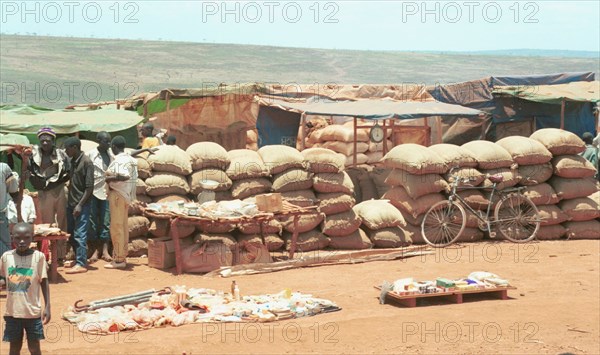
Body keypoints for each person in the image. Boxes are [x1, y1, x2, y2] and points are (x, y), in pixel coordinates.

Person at [0, 223, 51, 355]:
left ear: (32, 238)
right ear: (12, 238)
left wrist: (47, 306)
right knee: (14, 348)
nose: (22, 242)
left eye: (26, 238)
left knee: (34, 348)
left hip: (32, 313)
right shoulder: (6, 257)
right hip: (12, 313)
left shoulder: (39, 257)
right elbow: (3, 276)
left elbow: (44, 282)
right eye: (17, 238)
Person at [27, 127, 70, 264]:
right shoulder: (34, 155)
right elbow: (30, 172)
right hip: (44, 193)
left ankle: (61, 255)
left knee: (62, 222)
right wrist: (40, 185)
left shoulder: (61, 154)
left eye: (48, 140)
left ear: (53, 141)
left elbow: (68, 172)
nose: (45, 143)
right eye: (42, 140)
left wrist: (53, 183)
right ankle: (47, 255)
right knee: (46, 224)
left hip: (58, 190)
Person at [104, 136, 138, 269]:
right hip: (125, 195)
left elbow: (124, 176)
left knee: (116, 227)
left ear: (113, 147)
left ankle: (118, 260)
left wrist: (109, 178)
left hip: (117, 195)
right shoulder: (129, 159)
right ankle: (122, 255)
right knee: (123, 227)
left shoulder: (120, 161)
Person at [63, 137, 94, 274]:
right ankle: (78, 259)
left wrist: (80, 205)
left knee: (80, 234)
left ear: (75, 147)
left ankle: (81, 263)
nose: (66, 151)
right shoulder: (72, 162)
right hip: (71, 203)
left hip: (82, 205)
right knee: (71, 232)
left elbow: (89, 188)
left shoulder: (87, 162)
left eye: (67, 148)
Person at [86, 132, 114, 262]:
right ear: (98, 141)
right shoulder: (90, 155)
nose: (108, 144)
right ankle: (95, 250)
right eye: (105, 141)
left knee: (106, 221)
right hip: (93, 192)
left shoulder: (111, 155)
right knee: (92, 222)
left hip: (106, 192)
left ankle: (105, 250)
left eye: (109, 141)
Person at [1, 163, 19, 288]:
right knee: (5, 244)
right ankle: (11, 277)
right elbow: (13, 189)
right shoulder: (3, 168)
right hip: (1, 214)